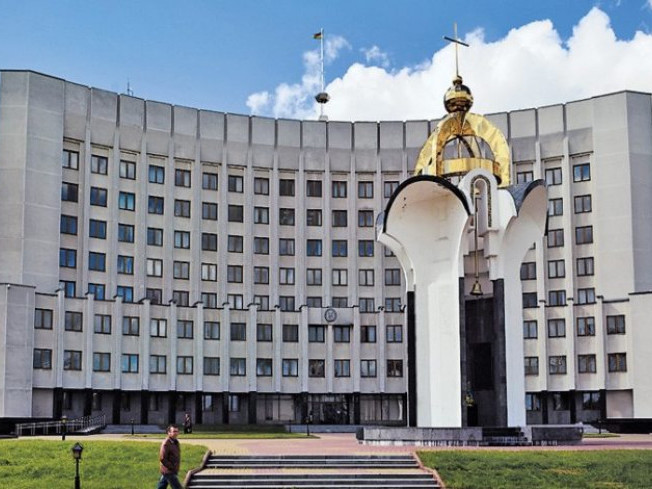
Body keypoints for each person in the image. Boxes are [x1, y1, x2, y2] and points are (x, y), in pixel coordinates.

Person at [157, 425, 182, 489]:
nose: (176, 433)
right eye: (174, 431)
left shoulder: (175, 442)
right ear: (169, 433)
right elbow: (162, 458)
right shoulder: (166, 443)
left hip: (170, 470)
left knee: (161, 487)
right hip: (169, 471)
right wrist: (171, 467)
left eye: (177, 431)